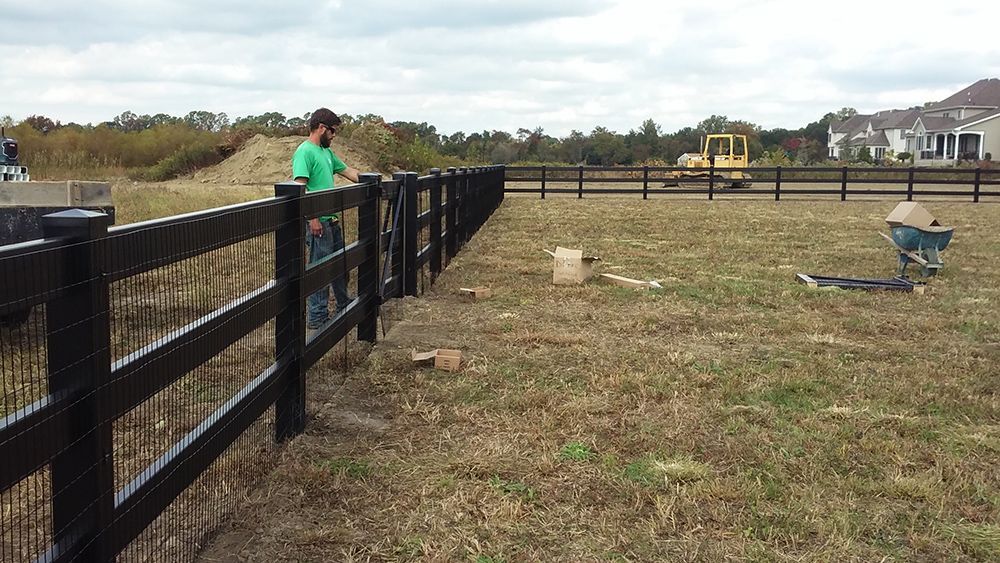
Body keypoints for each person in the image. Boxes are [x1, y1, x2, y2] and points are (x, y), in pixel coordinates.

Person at [293, 108, 361, 330]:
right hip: (318, 223)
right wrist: (312, 218)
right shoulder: (305, 152)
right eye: (333, 131)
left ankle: (344, 303)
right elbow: (300, 187)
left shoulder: (327, 153)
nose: (334, 136)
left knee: (340, 266)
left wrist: (374, 180)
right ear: (322, 128)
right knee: (319, 270)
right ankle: (317, 316)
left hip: (332, 221)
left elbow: (349, 172)